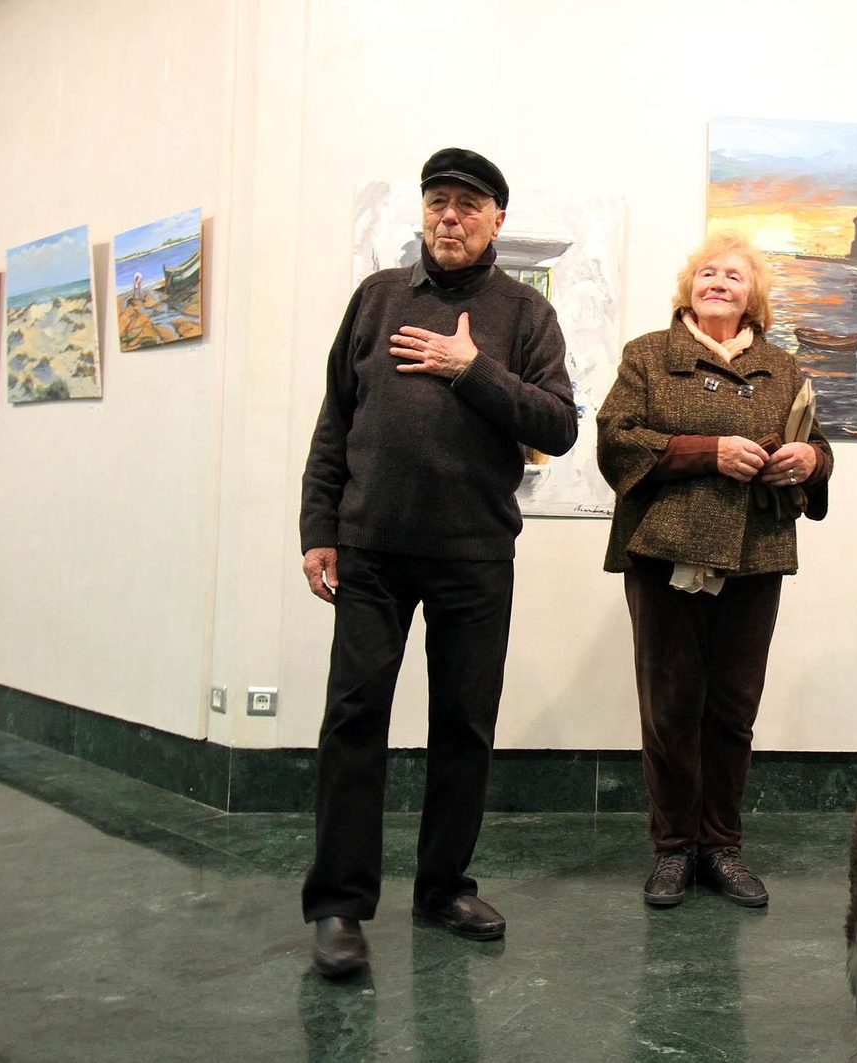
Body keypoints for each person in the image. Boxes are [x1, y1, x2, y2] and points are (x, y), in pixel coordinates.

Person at [298, 147, 577, 976]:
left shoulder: (526, 315)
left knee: (463, 726)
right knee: (353, 723)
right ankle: (340, 906)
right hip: (372, 551)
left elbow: (559, 426)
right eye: (436, 203)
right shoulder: (379, 298)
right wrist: (319, 525)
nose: (447, 216)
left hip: (474, 555)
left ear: (497, 219)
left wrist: (471, 370)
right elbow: (334, 423)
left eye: (465, 204)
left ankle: (443, 885)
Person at [597, 232, 833, 909]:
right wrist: (707, 451)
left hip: (755, 555)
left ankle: (721, 846)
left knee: (732, 707)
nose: (718, 282)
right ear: (688, 288)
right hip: (662, 554)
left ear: (752, 292)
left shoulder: (784, 368)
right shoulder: (646, 356)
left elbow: (815, 443)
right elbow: (616, 442)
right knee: (670, 706)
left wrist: (810, 464)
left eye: (732, 274)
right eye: (706, 272)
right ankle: (674, 850)